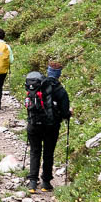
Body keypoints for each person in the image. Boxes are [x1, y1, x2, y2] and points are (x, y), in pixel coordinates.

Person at [25, 63, 71, 193]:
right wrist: (68, 114)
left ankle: (32, 183)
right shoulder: (60, 90)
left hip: (34, 124)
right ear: (59, 74)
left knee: (34, 151)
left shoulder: (36, 86)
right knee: (48, 153)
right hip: (51, 126)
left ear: (48, 72)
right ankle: (45, 183)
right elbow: (64, 112)